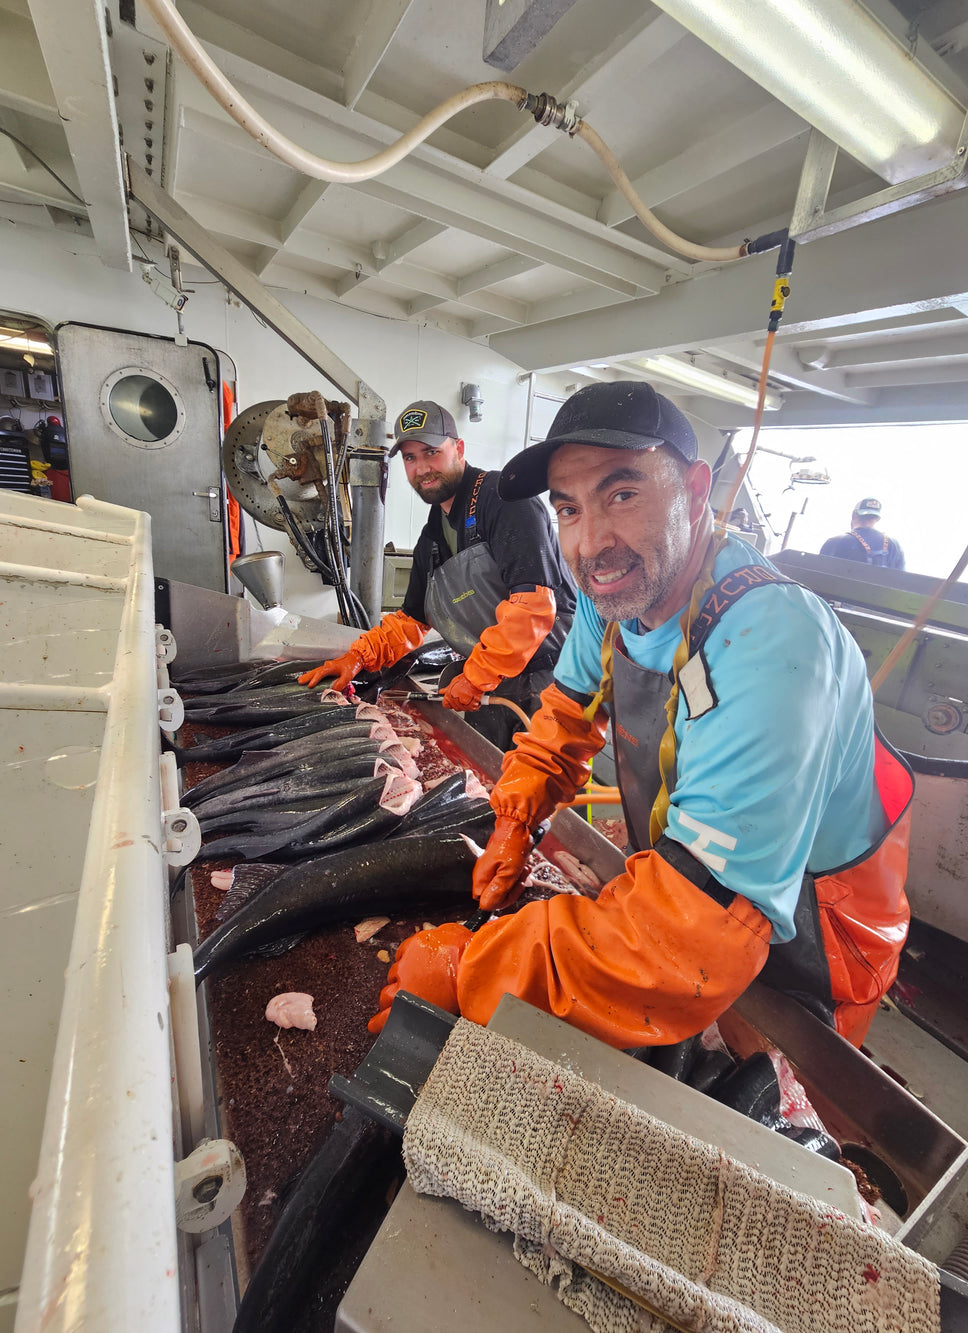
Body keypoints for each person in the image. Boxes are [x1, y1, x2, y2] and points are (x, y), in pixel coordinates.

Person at [370, 382, 913, 1051]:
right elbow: (565, 718)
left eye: (622, 494)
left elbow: (690, 942)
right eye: (568, 508)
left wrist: (473, 967)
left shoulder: (772, 640)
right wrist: (516, 819)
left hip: (820, 930)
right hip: (698, 881)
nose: (593, 542)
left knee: (780, 1099)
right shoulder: (614, 596)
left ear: (694, 489)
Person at [300, 400, 576, 749]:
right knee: (486, 785)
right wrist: (358, 657)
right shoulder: (433, 535)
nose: (421, 468)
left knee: (544, 797)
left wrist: (475, 677)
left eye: (431, 452)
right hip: (492, 682)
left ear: (458, 449)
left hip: (550, 683)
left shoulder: (505, 500)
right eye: (410, 458)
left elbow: (532, 607)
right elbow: (410, 621)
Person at [820, 498, 905, 569]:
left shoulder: (835, 542)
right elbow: (902, 582)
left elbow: (817, 578)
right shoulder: (894, 545)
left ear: (854, 515)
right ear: (877, 519)